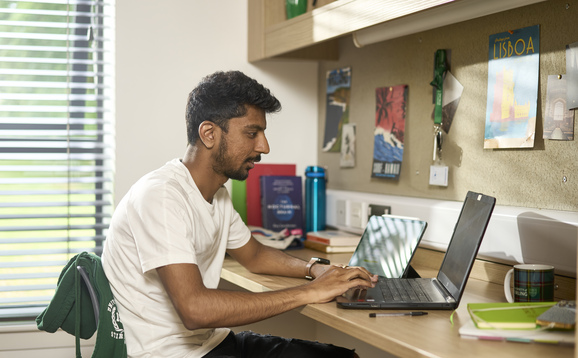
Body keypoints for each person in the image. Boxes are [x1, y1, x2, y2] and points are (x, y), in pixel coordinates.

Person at [102, 70, 377, 358]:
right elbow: (195, 310)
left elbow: (255, 255)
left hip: (210, 343)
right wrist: (309, 292)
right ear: (209, 134)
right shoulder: (160, 196)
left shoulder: (216, 194)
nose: (264, 147)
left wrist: (314, 270)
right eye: (251, 133)